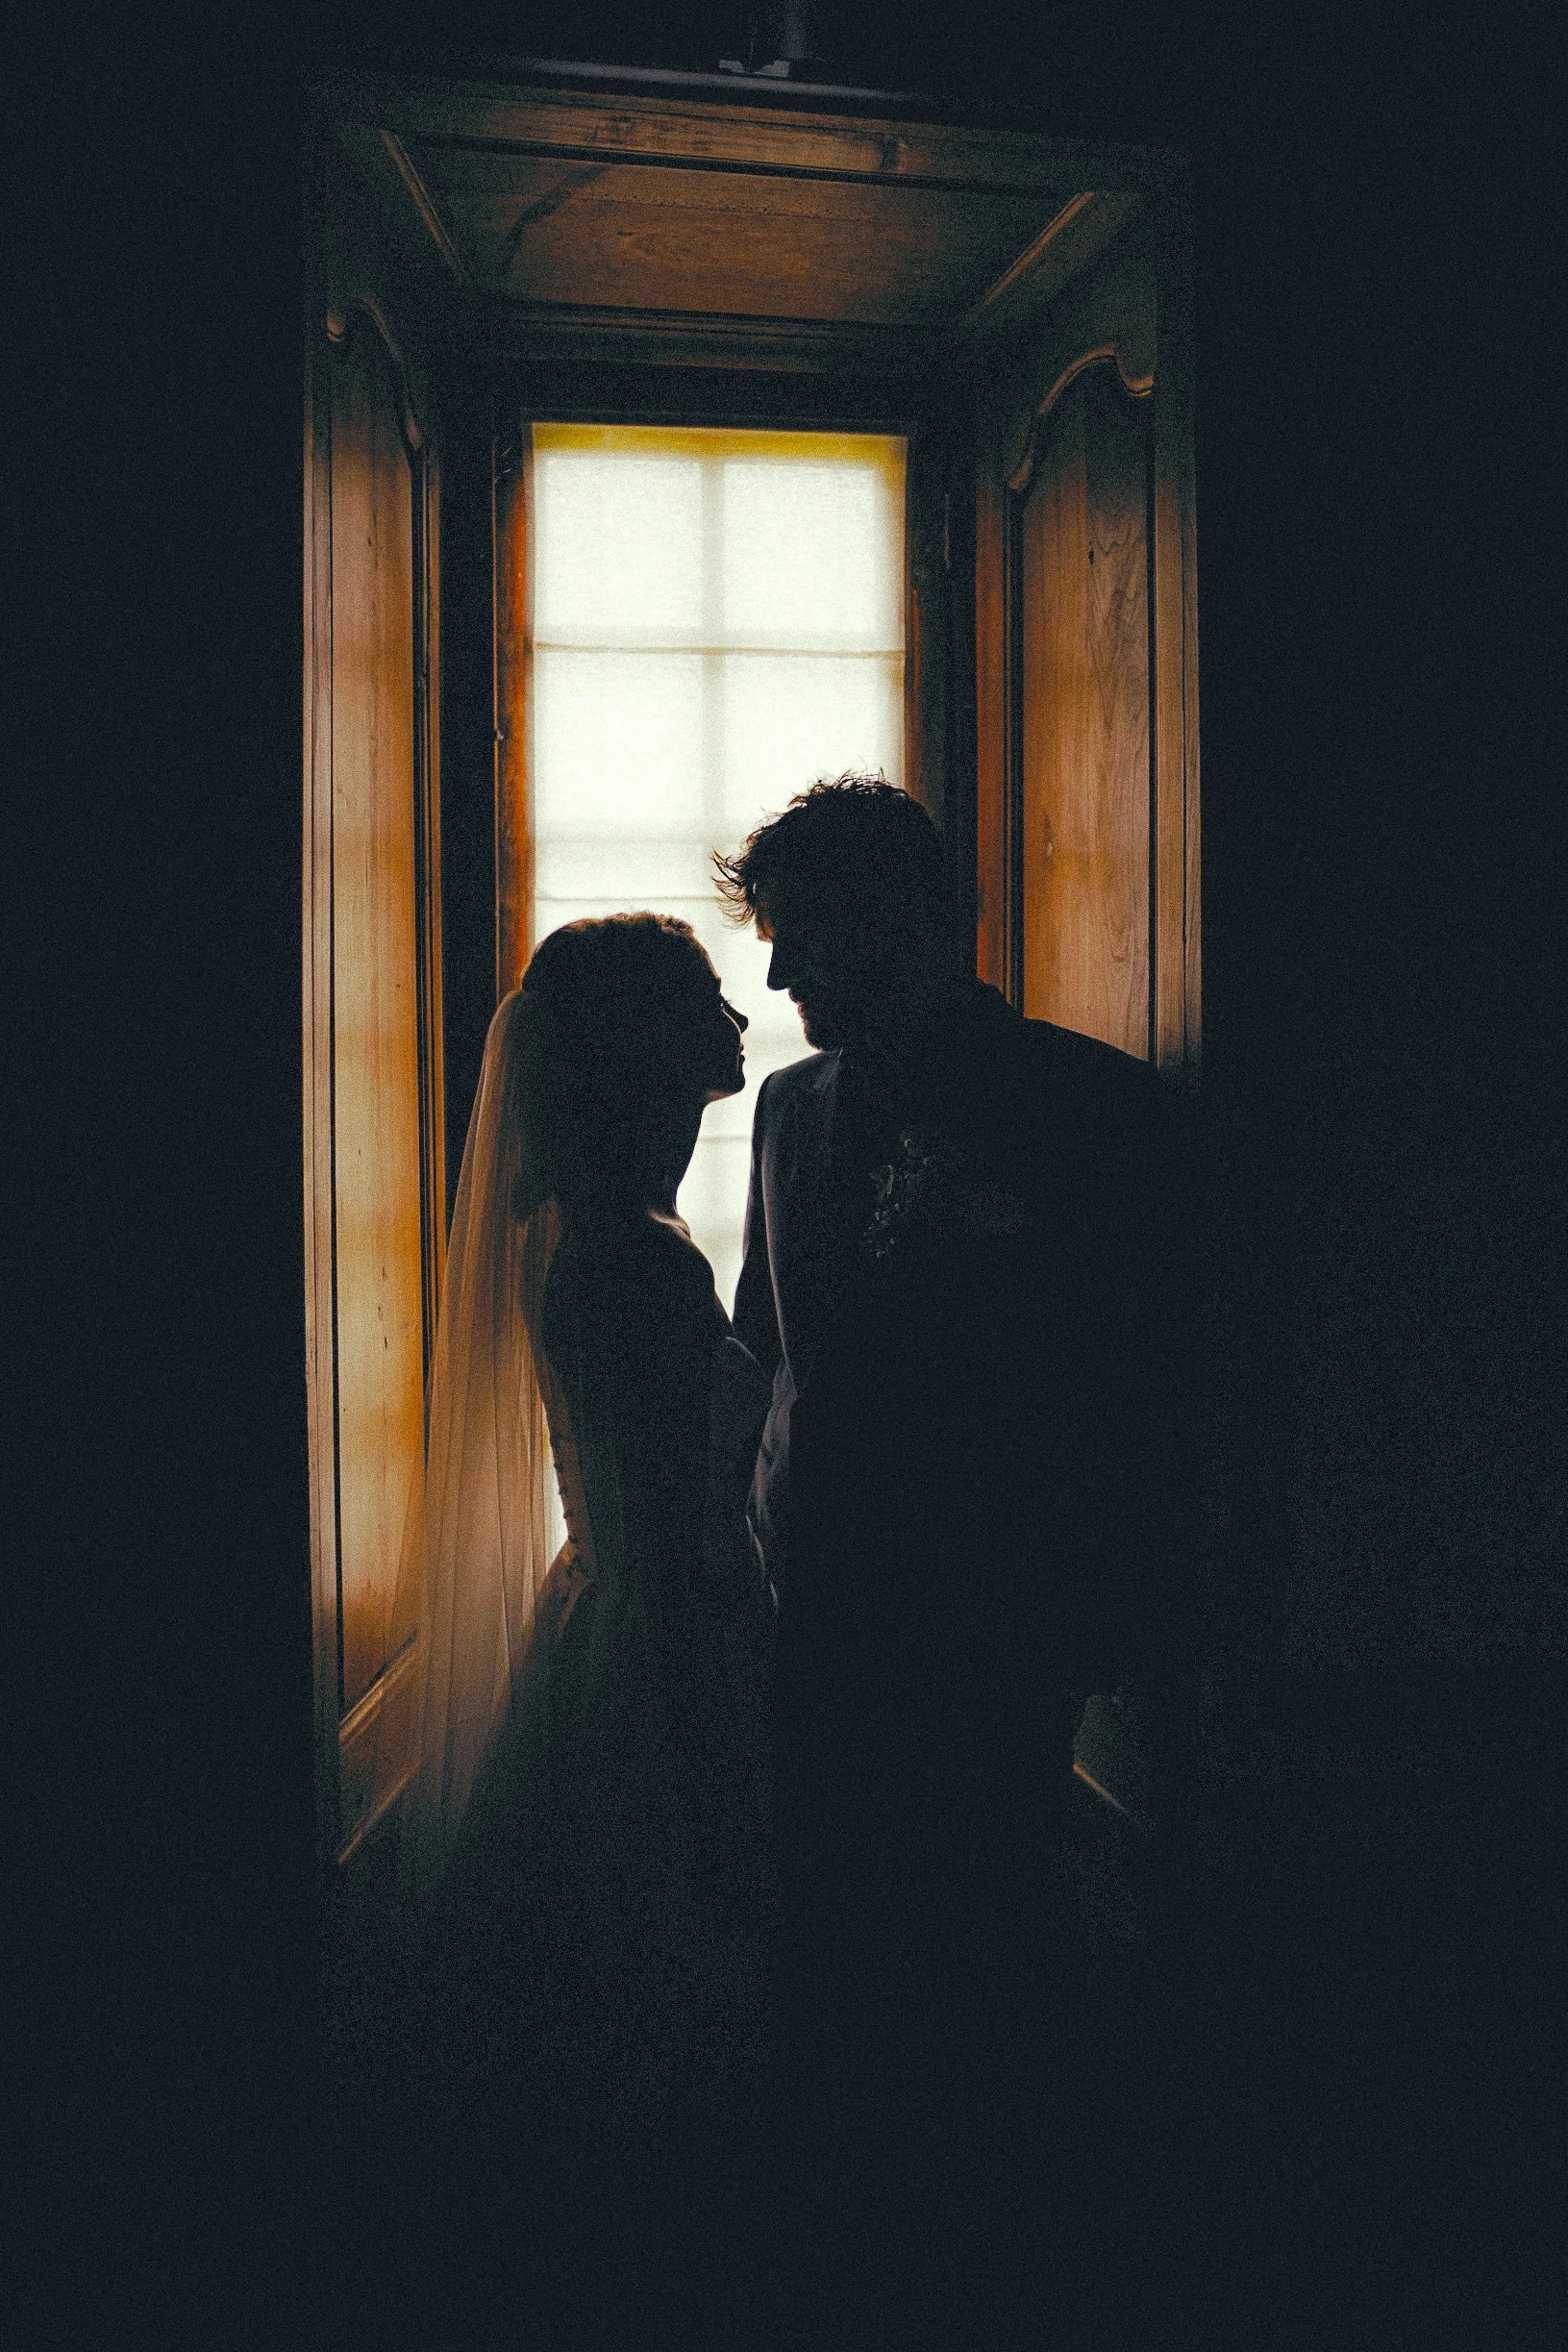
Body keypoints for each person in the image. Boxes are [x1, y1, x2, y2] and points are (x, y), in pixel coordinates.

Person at [716, 776, 1197, 2347]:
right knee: (824, 1990)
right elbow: (766, 1358)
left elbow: (1139, 1395)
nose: (779, 982)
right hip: (807, 1632)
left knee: (981, 1983)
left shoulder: (1088, 1107)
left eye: (801, 942)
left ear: (908, 926)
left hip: (994, 1640)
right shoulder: (788, 1116)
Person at [361, 913, 774, 2348]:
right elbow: (666, 1542)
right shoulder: (626, 1256)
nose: (737, 1014)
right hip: (665, 1653)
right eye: (701, 998)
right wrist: (714, 1764)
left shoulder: (604, 1224)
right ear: (636, 1046)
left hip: (625, 1624)